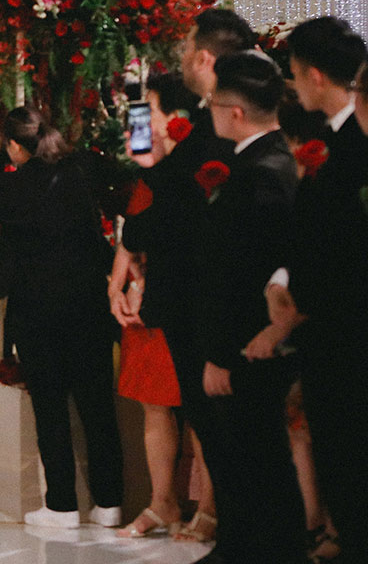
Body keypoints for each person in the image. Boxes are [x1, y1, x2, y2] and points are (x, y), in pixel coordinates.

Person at [167, 51, 303, 564]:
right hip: (245, 341)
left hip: (246, 346)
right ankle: (241, 547)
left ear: (236, 112)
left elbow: (245, 273)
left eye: (214, 106)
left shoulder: (260, 172)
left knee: (254, 461)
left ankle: (259, 551)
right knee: (248, 459)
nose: (211, 115)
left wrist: (222, 355)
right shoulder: (264, 162)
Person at [0, 107, 122, 528]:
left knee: (51, 405)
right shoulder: (81, 169)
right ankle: (110, 502)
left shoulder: (15, 183)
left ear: (15, 146)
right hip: (89, 301)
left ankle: (63, 504)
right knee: (97, 406)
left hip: (38, 308)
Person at [273, 17, 368, 564]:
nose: (293, 84)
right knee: (334, 448)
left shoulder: (355, 144)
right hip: (324, 326)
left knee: (349, 449)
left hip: (345, 326)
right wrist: (284, 281)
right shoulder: (327, 138)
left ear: (313, 74)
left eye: (293, 72)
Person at [110, 71, 212, 541]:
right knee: (155, 403)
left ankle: (209, 507)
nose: (142, 120)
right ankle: (162, 500)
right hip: (152, 298)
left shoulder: (194, 163)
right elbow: (133, 226)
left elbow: (156, 227)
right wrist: (117, 285)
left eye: (148, 109)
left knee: (201, 409)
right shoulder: (152, 169)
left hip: (185, 294)